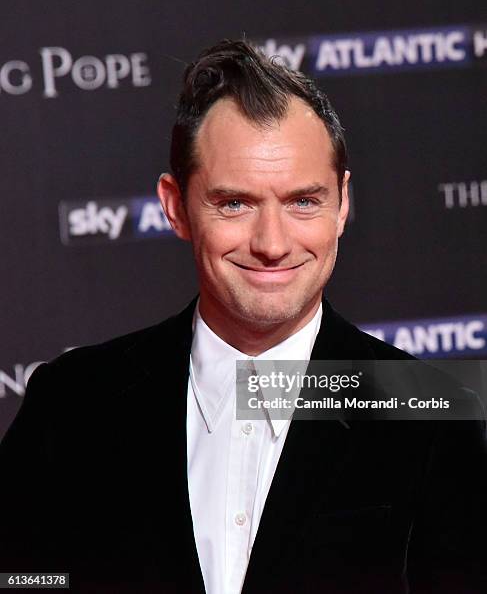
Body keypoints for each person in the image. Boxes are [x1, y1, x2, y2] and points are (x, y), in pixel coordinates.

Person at [0, 39, 486, 594]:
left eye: (304, 200)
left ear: (342, 204)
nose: (272, 244)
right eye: (235, 203)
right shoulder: (72, 402)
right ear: (175, 206)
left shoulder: (428, 416)